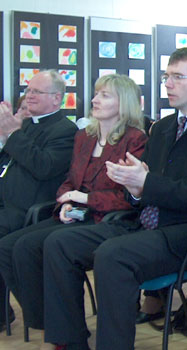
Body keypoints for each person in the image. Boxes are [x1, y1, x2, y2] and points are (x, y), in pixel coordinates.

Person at [41, 47, 187, 350]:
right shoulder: (163, 128)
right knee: (59, 244)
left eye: (178, 77)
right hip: (146, 223)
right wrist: (135, 189)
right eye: (166, 76)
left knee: (113, 255)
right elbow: (142, 188)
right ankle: (71, 343)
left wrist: (146, 183)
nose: (168, 84)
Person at [0, 74, 147, 341]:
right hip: (77, 214)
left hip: (109, 219)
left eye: (104, 95)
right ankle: (49, 324)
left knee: (55, 243)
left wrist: (84, 200)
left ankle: (66, 335)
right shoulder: (84, 136)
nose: (94, 99)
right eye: (95, 94)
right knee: (14, 246)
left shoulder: (134, 139)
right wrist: (66, 201)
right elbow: (69, 180)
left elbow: (129, 197)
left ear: (123, 102)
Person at [0, 70, 78, 331]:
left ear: (57, 99)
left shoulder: (65, 130)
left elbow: (43, 166)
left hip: (31, 210)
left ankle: (37, 317)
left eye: (36, 92)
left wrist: (13, 134)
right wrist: (5, 137)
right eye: (28, 91)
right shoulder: (26, 125)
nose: (29, 96)